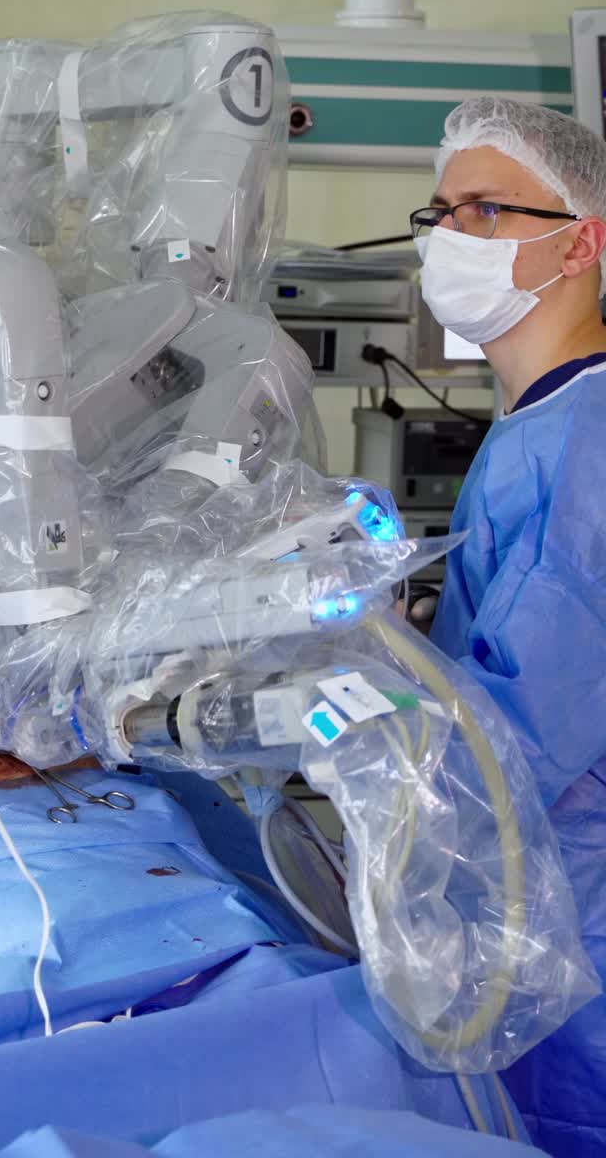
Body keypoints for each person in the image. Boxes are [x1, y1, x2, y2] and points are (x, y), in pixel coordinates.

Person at [416, 96, 606, 1156]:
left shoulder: (584, 441)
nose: (452, 237)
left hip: (574, 926)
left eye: (486, 210)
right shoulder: (536, 426)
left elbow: (522, 739)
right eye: (440, 212)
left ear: (580, 241)